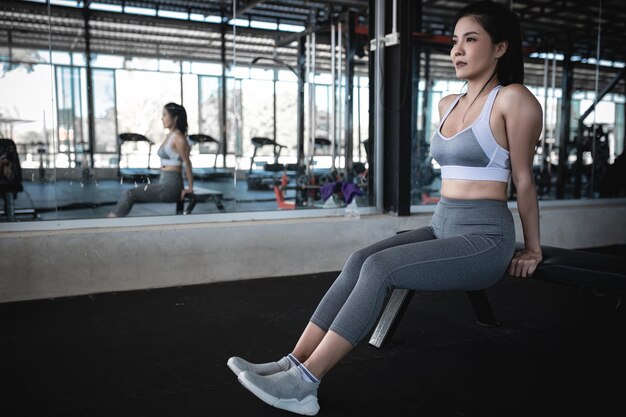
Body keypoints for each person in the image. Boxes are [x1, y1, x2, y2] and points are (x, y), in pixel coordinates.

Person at [227, 1, 543, 415]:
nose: (457, 50)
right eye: (454, 41)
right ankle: (294, 361)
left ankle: (305, 385)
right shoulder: (448, 103)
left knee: (381, 269)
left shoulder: (514, 100)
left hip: (485, 236)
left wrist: (532, 247)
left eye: (471, 40)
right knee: (360, 259)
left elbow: (523, 180)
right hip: (442, 223)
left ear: (500, 47)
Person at [108, 103, 193, 217]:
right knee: (131, 193)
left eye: (165, 115)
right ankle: (111, 220)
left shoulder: (178, 137)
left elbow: (187, 163)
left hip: (171, 186)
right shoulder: (170, 136)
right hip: (164, 182)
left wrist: (190, 188)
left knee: (131, 194)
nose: (162, 118)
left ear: (175, 118)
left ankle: (110, 221)